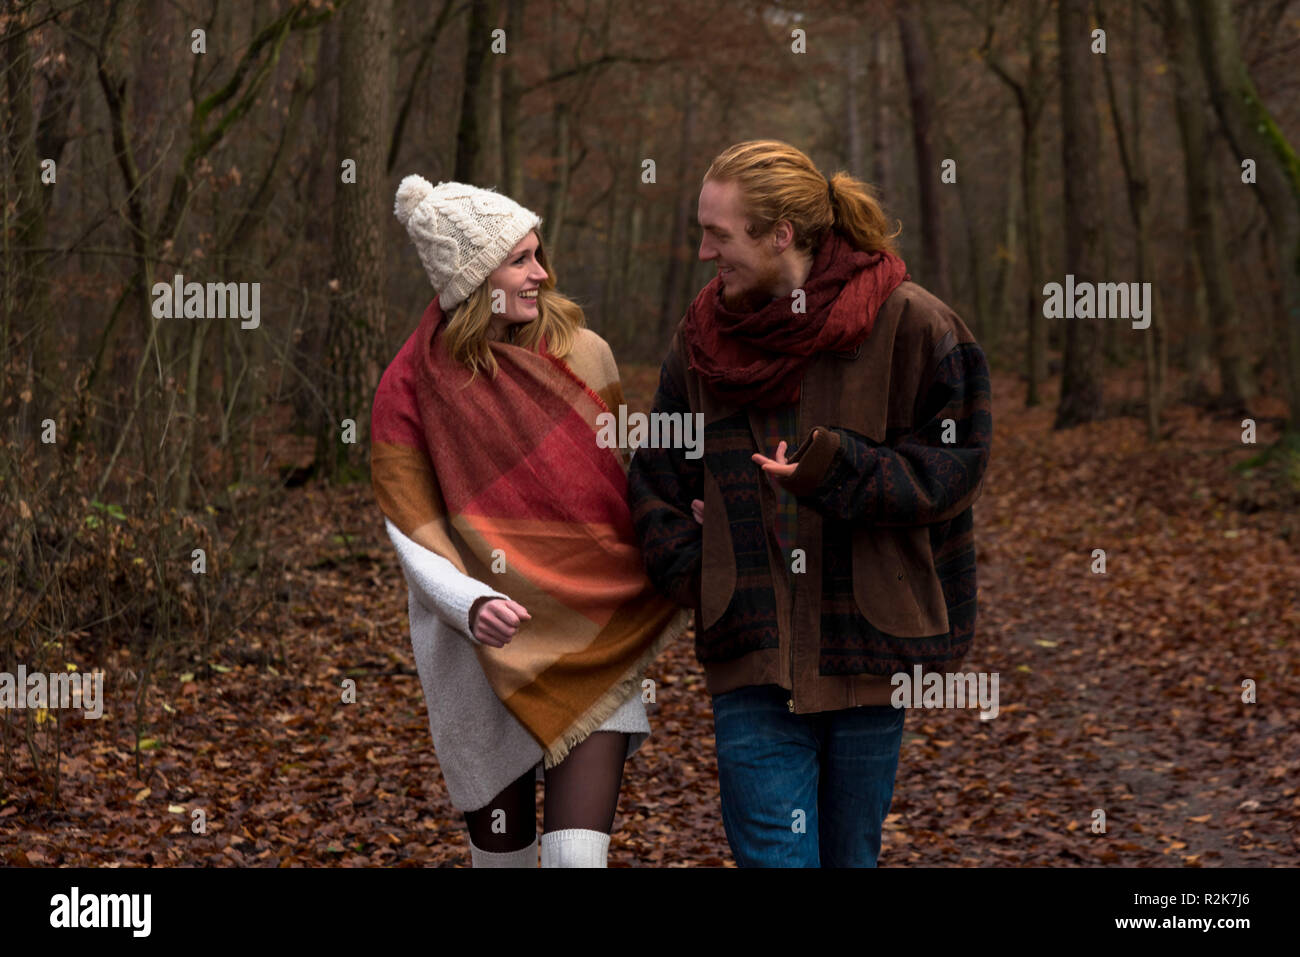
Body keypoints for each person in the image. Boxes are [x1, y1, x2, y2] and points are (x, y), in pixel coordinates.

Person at [627, 140, 993, 867]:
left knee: (849, 857)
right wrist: (705, 574)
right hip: (750, 647)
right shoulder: (701, 341)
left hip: (868, 644)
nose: (704, 253)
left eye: (718, 234)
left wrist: (837, 470)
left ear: (781, 235)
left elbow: (958, 463)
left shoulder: (914, 324)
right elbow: (655, 481)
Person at [372, 177, 689, 867]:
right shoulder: (409, 387)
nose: (541, 272)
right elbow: (408, 526)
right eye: (520, 259)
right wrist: (471, 599)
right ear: (474, 277)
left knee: (577, 860)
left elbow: (617, 487)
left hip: (588, 629)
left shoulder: (586, 354)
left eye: (537, 253)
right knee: (504, 864)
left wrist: (679, 518)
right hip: (476, 648)